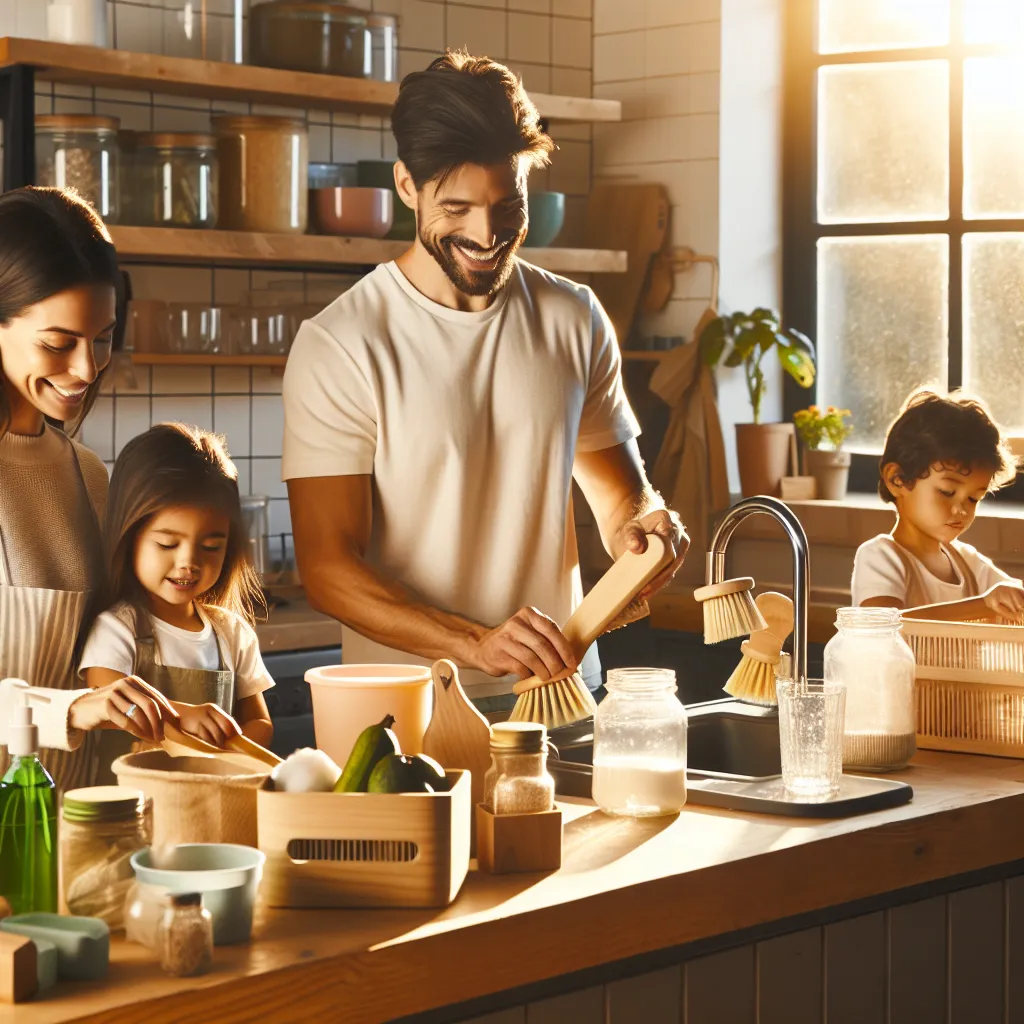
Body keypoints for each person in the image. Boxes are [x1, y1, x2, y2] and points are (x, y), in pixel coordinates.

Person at [283, 51, 688, 709]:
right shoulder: (343, 343)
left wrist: (645, 529)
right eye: (457, 207)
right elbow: (329, 571)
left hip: (562, 693)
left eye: (507, 205)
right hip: (411, 708)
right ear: (407, 187)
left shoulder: (573, 317)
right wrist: (475, 644)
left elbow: (621, 497)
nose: (486, 233)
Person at [0, 186, 179, 788]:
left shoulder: (90, 476)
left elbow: (109, 655)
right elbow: (79, 701)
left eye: (101, 337)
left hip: (80, 831)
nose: (85, 368)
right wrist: (70, 710)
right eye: (57, 344)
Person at [79, 423, 274, 779]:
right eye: (168, 544)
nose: (189, 562)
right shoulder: (118, 628)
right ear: (130, 535)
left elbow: (259, 721)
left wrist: (223, 750)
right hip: (130, 807)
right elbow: (106, 708)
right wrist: (181, 715)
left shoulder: (231, 633)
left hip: (216, 795)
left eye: (211, 546)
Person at [851, 389, 1024, 617]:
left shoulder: (968, 562)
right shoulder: (881, 556)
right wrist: (984, 605)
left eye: (974, 498)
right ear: (898, 480)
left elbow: (1010, 594)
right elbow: (885, 628)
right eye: (947, 491)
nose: (960, 509)